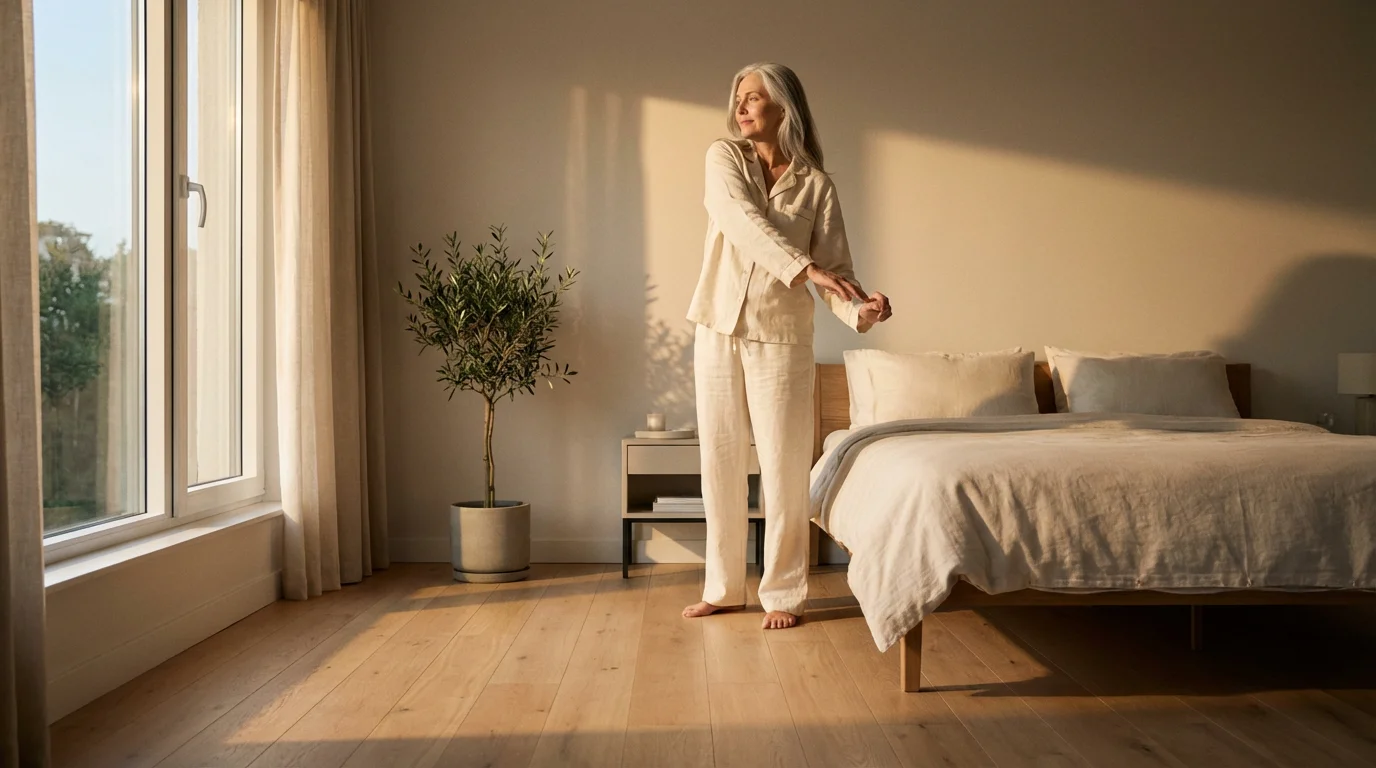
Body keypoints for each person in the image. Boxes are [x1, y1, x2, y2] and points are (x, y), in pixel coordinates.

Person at [682, 62, 893, 630]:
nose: (742, 107)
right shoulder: (723, 158)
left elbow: (839, 272)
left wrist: (859, 309)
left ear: (784, 107)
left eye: (755, 98)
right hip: (718, 326)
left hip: (781, 338)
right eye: (738, 98)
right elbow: (740, 219)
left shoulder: (817, 186)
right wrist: (810, 270)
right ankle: (723, 589)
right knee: (719, 462)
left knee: (782, 466)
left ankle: (782, 593)